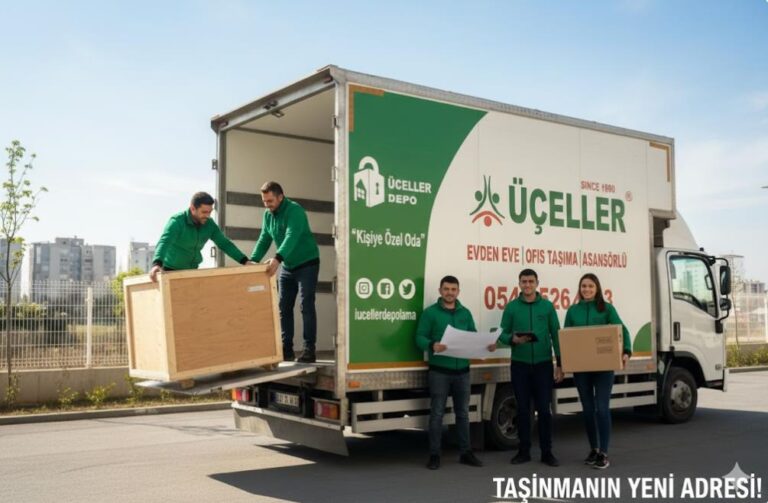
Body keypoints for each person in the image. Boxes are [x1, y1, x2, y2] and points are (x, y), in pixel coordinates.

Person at [491, 268, 562, 467]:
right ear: (519, 284)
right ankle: (523, 451)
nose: (527, 285)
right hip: (520, 365)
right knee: (523, 410)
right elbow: (501, 332)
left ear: (537, 283)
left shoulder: (547, 307)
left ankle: (547, 452)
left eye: (531, 281)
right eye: (524, 281)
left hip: (543, 365)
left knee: (544, 410)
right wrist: (511, 339)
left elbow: (556, 335)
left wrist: (560, 364)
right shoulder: (512, 307)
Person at [415, 275, 483, 470]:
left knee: (463, 414)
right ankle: (434, 455)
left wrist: (483, 344)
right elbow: (419, 337)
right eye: (446, 289)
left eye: (453, 289)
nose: (449, 293)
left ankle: (466, 453)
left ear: (458, 292)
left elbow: (472, 335)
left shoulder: (465, 313)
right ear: (440, 291)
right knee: (437, 414)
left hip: (463, 372)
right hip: (439, 373)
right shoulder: (430, 313)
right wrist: (432, 345)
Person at [564, 273, 631, 470]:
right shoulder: (573, 311)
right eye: (583, 286)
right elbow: (566, 337)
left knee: (602, 408)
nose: (586, 289)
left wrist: (626, 351)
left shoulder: (606, 308)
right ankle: (593, 449)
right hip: (581, 369)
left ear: (597, 288)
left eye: (590, 286)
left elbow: (622, 330)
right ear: (580, 288)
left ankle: (604, 452)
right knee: (587, 410)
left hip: (603, 368)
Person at [250, 182, 320, 363]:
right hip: (288, 266)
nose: (267, 205)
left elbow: (291, 236)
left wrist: (277, 258)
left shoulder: (295, 211)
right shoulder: (268, 215)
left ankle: (309, 350)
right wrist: (252, 261)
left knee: (306, 305)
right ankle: (286, 349)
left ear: (280, 197)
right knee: (283, 307)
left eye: (270, 201)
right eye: (264, 201)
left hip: (307, 263)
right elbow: (264, 238)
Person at [150, 192, 250, 281]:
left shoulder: (209, 224)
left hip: (192, 272)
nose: (208, 216)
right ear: (193, 208)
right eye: (204, 212)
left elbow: (225, 244)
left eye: (210, 212)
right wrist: (156, 264)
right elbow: (164, 242)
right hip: (170, 272)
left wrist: (245, 261)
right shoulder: (177, 222)